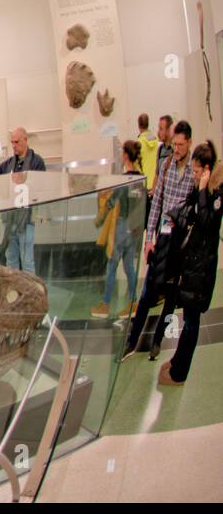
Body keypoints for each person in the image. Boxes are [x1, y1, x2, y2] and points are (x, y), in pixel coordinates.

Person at [125, 119, 194, 361]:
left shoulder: (194, 172)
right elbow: (156, 205)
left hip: (180, 241)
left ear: (189, 143)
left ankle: (157, 341)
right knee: (148, 293)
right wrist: (148, 240)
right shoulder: (165, 166)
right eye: (174, 144)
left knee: (172, 296)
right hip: (162, 238)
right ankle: (132, 339)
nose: (176, 149)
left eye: (181, 145)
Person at [152, 140, 220, 386]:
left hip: (201, 270)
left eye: (196, 171)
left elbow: (207, 223)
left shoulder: (215, 194)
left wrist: (202, 191)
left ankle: (179, 373)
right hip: (191, 266)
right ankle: (177, 361)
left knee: (192, 322)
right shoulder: (200, 190)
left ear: (207, 169)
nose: (193, 175)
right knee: (189, 319)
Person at [91, 140, 145, 320]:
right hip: (135, 229)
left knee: (112, 265)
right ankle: (134, 301)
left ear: (125, 156)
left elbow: (113, 200)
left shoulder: (124, 180)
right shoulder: (140, 178)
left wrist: (101, 216)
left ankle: (105, 304)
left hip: (122, 228)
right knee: (129, 266)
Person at [0, 127, 46, 273]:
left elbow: (42, 188)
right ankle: (13, 293)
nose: (14, 145)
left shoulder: (37, 162)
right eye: (12, 142)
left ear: (25, 140)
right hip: (10, 219)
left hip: (26, 218)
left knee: (27, 260)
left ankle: (31, 294)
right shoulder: (8, 163)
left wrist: (26, 182)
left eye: (16, 142)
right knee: (11, 259)